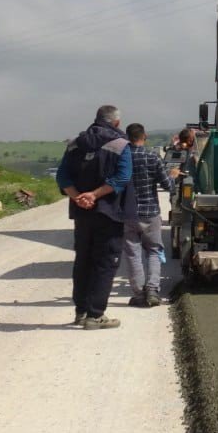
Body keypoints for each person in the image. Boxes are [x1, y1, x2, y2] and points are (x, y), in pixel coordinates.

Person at [56, 105, 135, 329]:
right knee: (105, 262)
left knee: (83, 260)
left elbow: (62, 176)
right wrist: (94, 194)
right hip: (110, 214)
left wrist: (78, 197)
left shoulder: (74, 145)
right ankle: (95, 315)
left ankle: (80, 311)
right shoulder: (120, 145)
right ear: (117, 123)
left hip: (82, 213)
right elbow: (122, 177)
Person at [122, 123, 177, 307]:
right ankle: (153, 290)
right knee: (154, 250)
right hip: (150, 212)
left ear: (127, 137)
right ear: (144, 136)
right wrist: (173, 176)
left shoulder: (121, 157)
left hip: (128, 213)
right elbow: (168, 186)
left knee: (132, 253)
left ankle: (138, 293)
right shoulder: (152, 156)